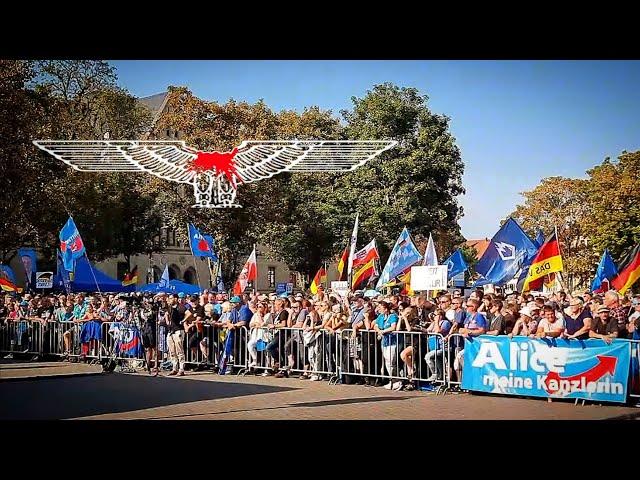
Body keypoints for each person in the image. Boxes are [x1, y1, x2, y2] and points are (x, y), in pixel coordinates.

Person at [373, 301, 400, 390]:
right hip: (384, 342)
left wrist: (383, 331)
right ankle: (392, 379)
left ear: (385, 308)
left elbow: (393, 327)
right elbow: (375, 326)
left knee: (391, 361)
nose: (379, 309)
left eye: (381, 308)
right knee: (387, 361)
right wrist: (378, 331)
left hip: (392, 342)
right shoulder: (380, 317)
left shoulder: (392, 316)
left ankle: (397, 379)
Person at [166, 293, 187, 376]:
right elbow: (166, 313)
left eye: (171, 298)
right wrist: (167, 321)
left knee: (179, 350)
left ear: (175, 298)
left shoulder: (181, 307)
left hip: (179, 330)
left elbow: (189, 313)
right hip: (171, 330)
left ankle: (181, 369)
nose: (170, 300)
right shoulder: (170, 308)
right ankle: (174, 368)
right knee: (172, 350)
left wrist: (183, 320)